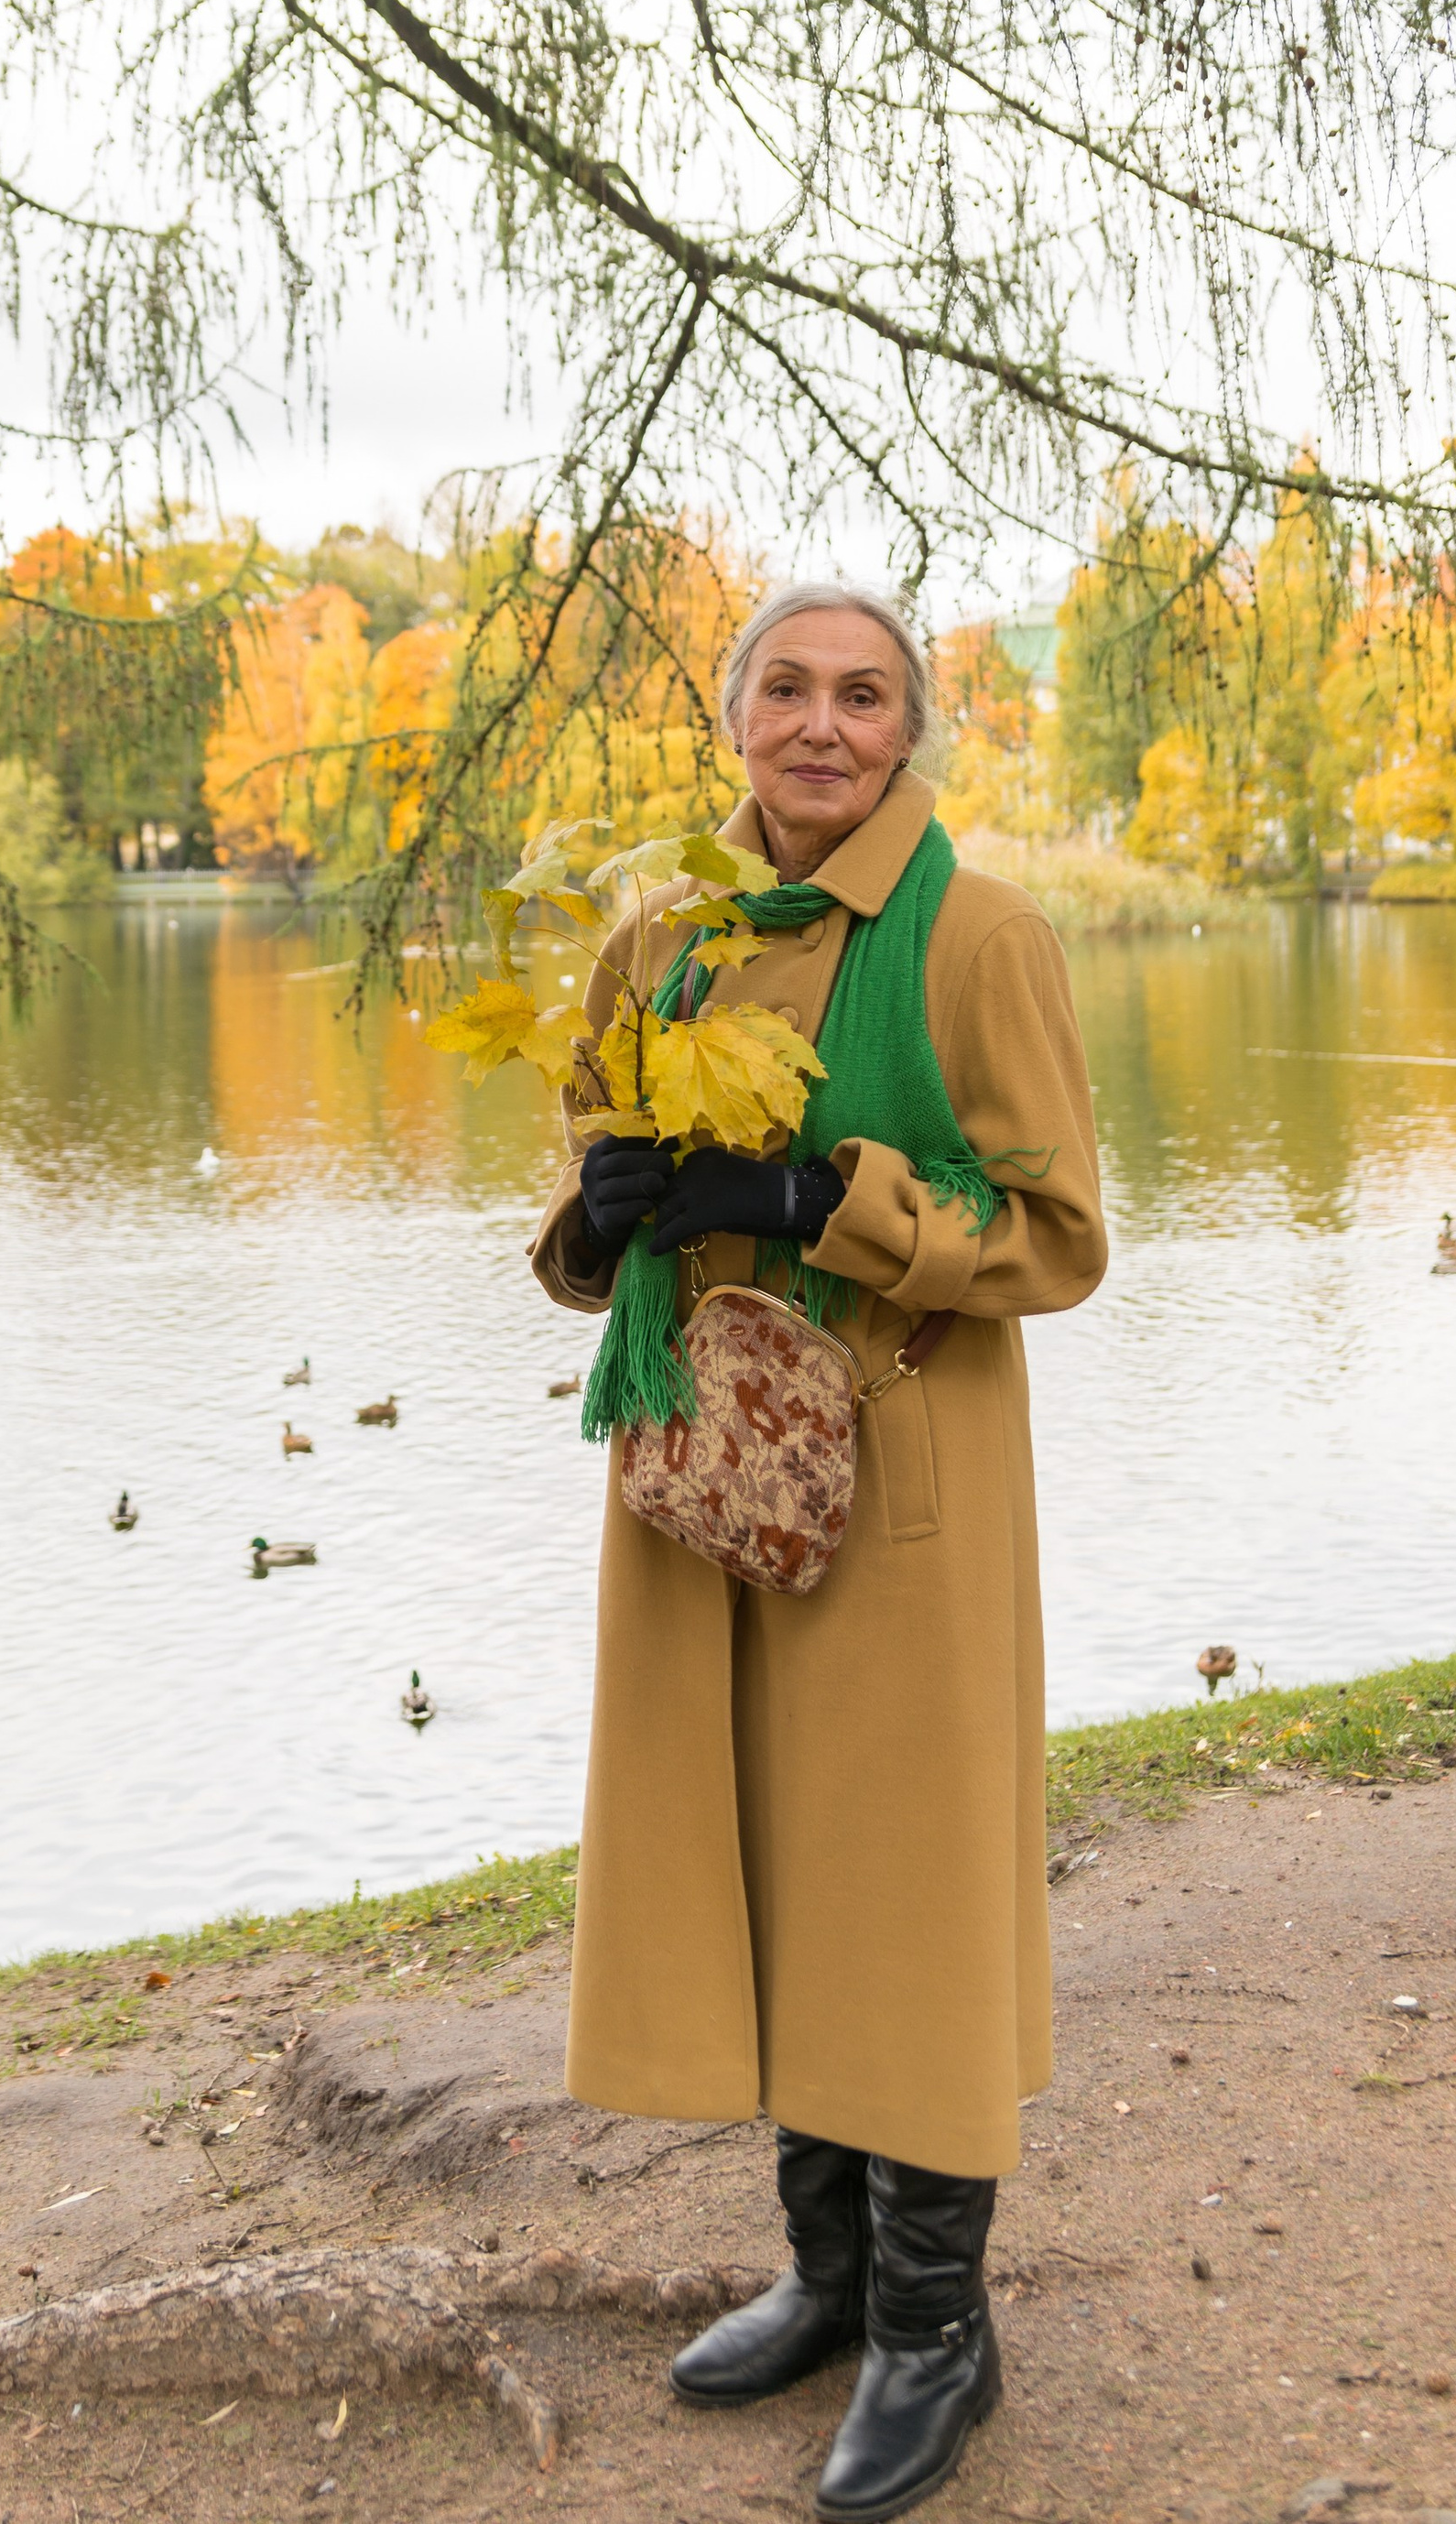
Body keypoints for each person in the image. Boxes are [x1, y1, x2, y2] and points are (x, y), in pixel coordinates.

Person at [528, 581, 1107, 2520]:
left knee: (904, 1894)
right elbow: (577, 1208)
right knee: (764, 1866)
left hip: (903, 1485)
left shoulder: (978, 935)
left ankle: (939, 2328)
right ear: (731, 713)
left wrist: (815, 1195)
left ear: (908, 726)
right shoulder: (658, 937)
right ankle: (832, 2275)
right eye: (785, 686)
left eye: (862, 695)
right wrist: (605, 1215)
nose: (821, 725)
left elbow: (1055, 1235)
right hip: (703, 1480)